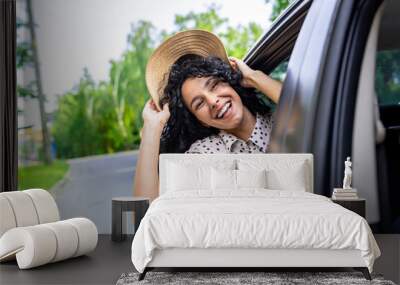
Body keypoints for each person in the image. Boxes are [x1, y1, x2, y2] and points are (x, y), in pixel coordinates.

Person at [134, 29, 282, 201]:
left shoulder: (284, 119)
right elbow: (146, 210)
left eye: (214, 85)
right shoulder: (205, 154)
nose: (213, 101)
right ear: (200, 121)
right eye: (199, 103)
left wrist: (254, 77)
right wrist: (152, 129)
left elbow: (311, 112)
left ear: (231, 83)